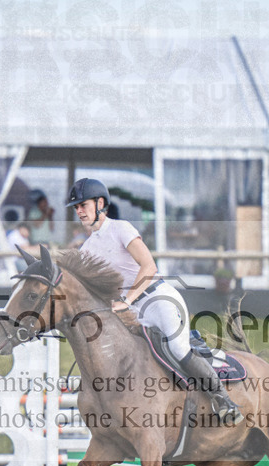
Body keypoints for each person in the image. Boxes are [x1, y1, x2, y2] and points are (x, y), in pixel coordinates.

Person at [67, 177, 241, 423]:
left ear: (100, 203)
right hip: (132, 310)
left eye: (83, 205)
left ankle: (223, 398)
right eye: (76, 208)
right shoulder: (86, 249)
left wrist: (127, 300)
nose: (79, 211)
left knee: (179, 348)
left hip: (159, 299)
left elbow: (148, 266)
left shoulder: (121, 229)